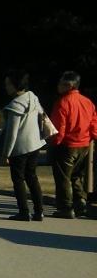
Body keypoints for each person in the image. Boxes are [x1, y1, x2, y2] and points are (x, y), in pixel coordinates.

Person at [47, 70, 97, 219]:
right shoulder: (87, 102)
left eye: (61, 83)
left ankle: (65, 207)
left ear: (69, 85)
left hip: (67, 145)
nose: (58, 86)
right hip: (84, 144)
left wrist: (54, 143)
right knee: (77, 175)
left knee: (63, 177)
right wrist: (92, 138)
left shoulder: (62, 102)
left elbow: (59, 127)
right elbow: (94, 123)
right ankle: (80, 202)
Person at [0, 70, 48, 221]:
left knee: (18, 179)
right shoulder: (32, 97)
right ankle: (39, 211)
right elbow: (41, 114)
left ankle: (24, 212)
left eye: (8, 84)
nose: (6, 87)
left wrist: (6, 154)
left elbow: (12, 134)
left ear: (15, 85)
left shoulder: (14, 105)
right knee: (32, 177)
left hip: (20, 148)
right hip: (35, 144)